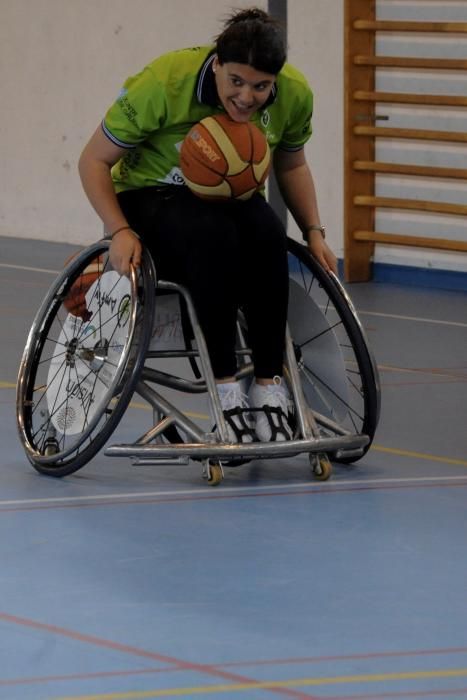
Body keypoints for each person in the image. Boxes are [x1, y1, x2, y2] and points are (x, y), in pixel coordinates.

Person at [78, 7, 337, 444]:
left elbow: (292, 165)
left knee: (270, 234)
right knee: (210, 236)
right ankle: (226, 388)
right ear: (216, 64)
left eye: (260, 87)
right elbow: (93, 161)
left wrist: (314, 231)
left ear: (276, 80)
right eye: (235, 81)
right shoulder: (166, 81)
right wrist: (118, 229)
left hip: (230, 198)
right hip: (148, 194)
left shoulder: (295, 93)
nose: (246, 97)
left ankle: (269, 388)